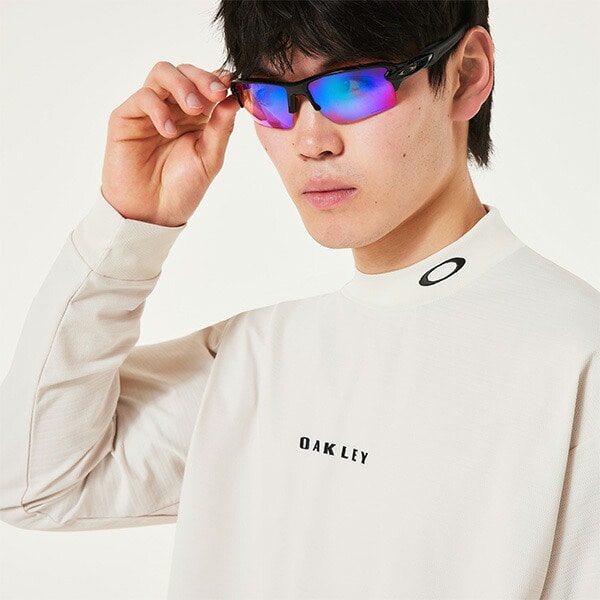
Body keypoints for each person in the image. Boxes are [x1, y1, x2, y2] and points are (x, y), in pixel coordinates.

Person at [0, 1, 598, 598]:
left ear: (466, 74)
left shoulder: (574, 356)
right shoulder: (258, 360)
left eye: (353, 87)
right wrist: (129, 224)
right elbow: (34, 486)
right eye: (271, 96)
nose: (312, 142)